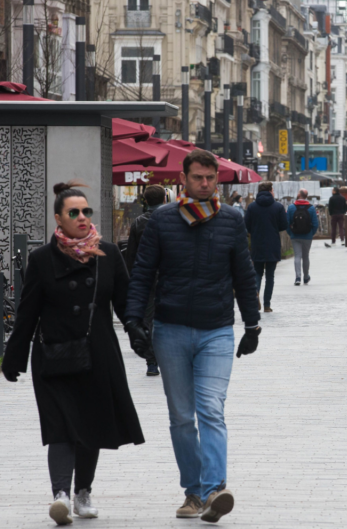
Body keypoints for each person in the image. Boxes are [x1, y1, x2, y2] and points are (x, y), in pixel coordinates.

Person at [126, 149, 261, 523]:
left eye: (210, 178)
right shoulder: (161, 221)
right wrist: (133, 319)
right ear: (182, 179)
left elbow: (244, 276)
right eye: (198, 177)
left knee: (211, 409)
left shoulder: (232, 220)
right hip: (169, 330)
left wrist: (252, 325)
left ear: (217, 180)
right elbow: (142, 273)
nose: (204, 184)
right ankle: (193, 492)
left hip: (216, 330)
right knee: (182, 417)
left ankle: (216, 488)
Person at [2, 180, 145, 526]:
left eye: (86, 211)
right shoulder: (41, 259)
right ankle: (61, 496)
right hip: (54, 354)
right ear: (58, 218)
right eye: (74, 212)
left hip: (98, 353)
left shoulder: (108, 255)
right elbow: (28, 310)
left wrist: (138, 331)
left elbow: (126, 302)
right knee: (62, 427)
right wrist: (14, 356)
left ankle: (83, 492)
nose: (82, 217)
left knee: (91, 425)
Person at [125, 184, 167, 377]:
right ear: (165, 199)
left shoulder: (137, 223)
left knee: (148, 320)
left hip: (147, 279)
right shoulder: (173, 220)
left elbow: (131, 255)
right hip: (171, 278)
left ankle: (151, 362)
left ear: (145, 201)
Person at [244, 181, 288, 312]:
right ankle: (267, 305)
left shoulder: (252, 207)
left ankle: (255, 297)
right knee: (270, 276)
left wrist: (255, 231)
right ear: (270, 191)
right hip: (273, 244)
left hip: (257, 243)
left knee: (257, 273)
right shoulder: (278, 207)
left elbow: (247, 225)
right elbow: (283, 225)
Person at [287, 188, 319, 285]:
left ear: (299, 194)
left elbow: (287, 222)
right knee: (305, 256)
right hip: (307, 236)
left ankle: (297, 277)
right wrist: (310, 233)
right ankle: (306, 277)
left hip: (295, 236)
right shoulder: (311, 208)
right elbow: (315, 224)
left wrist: (291, 233)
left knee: (297, 256)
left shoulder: (291, 207)